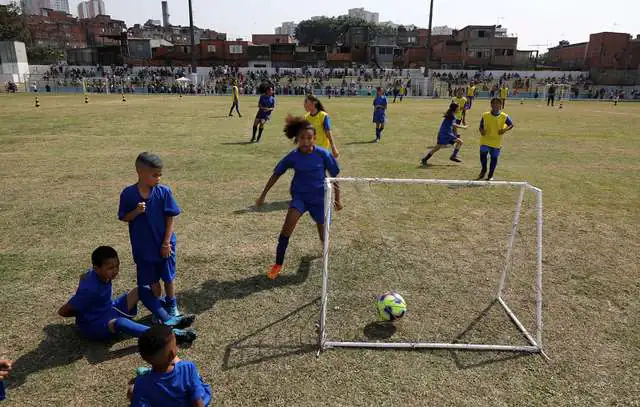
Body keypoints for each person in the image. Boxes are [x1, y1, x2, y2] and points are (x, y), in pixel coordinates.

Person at [256, 116, 341, 280]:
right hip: (300, 198)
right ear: (297, 139)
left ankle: (324, 250)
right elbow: (276, 174)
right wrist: (263, 195)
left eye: (309, 138)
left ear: (314, 138)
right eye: (302, 138)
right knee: (286, 229)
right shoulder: (293, 156)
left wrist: (337, 199)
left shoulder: (323, 154)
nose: (306, 141)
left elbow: (335, 176)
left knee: (323, 234)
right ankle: (278, 264)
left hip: (319, 200)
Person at [58, 246, 196, 343]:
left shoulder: (95, 274)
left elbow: (83, 276)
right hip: (95, 325)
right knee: (121, 323)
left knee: (140, 290)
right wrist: (85, 316)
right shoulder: (89, 289)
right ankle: (166, 336)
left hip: (109, 310)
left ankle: (168, 320)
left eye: (117, 266)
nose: (115, 270)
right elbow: (63, 311)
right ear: (97, 268)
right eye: (110, 268)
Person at [119, 152, 185, 318]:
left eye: (160, 175)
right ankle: (158, 309)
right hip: (143, 248)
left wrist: (166, 243)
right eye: (154, 175)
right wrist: (136, 211)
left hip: (164, 245)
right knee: (153, 281)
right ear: (140, 173)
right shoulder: (128, 194)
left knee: (168, 277)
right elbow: (124, 217)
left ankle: (171, 304)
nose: (158, 179)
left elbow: (170, 218)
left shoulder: (164, 192)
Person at [128, 326, 211, 407]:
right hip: (191, 400)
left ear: (144, 358)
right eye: (175, 344)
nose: (177, 346)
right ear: (172, 353)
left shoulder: (141, 383)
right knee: (189, 374)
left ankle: (152, 373)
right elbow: (197, 400)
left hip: (151, 383)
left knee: (132, 390)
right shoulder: (187, 367)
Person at [478, 98, 514, 180]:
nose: (495, 105)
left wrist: (504, 130)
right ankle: (483, 170)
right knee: (483, 153)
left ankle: (490, 175)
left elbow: (511, 125)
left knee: (494, 158)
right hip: (485, 139)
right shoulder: (485, 115)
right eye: (493, 103)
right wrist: (481, 131)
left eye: (497, 103)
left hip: (496, 141)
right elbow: (480, 126)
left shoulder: (504, 116)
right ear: (491, 105)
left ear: (500, 105)